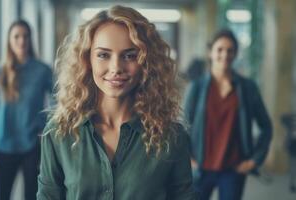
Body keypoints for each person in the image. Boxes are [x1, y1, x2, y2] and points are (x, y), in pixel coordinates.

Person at [37, 5, 196, 200]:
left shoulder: (171, 136)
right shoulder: (59, 132)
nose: (116, 68)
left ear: (146, 62)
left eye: (130, 56)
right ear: (88, 60)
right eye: (103, 55)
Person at [183, 29, 272, 200]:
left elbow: (266, 126)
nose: (225, 55)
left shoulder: (247, 88)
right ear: (211, 52)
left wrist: (255, 160)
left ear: (236, 53)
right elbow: (182, 126)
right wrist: (187, 157)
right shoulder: (197, 87)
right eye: (220, 50)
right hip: (200, 168)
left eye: (230, 50)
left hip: (233, 169)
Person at [0, 19, 53, 200]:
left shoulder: (43, 70)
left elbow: (58, 103)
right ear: (10, 40)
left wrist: (44, 125)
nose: (21, 41)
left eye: (25, 36)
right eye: (17, 36)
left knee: (32, 196)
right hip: (3, 147)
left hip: (32, 146)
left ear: (31, 39)